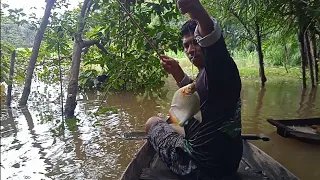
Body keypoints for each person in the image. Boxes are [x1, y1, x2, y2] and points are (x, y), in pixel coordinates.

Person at [145, 0, 243, 179]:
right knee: (174, 121)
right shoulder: (211, 75)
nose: (191, 50)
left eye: (195, 42)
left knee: (152, 122)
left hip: (200, 168)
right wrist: (177, 72)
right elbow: (199, 96)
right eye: (186, 45)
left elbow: (213, 43)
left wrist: (198, 13)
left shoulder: (220, 68)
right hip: (230, 165)